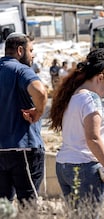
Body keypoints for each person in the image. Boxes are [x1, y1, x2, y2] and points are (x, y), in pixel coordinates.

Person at [48, 48, 104, 216]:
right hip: (85, 166)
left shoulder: (73, 96)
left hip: (64, 166)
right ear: (100, 78)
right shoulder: (91, 99)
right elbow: (93, 138)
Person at [0, 33, 48, 205]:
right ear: (20, 50)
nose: (33, 54)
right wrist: (39, 111)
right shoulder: (21, 70)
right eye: (31, 50)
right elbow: (40, 91)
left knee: (4, 207)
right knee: (29, 206)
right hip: (24, 149)